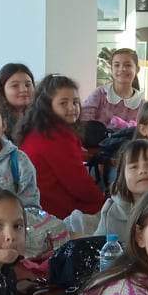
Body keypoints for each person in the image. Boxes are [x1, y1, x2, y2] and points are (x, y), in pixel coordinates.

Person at [18, 75, 104, 218]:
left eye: (75, 102)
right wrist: (104, 201)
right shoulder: (56, 136)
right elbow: (79, 185)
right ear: (47, 107)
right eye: (63, 103)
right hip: (55, 212)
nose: (72, 108)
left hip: (37, 208)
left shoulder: (37, 129)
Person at [95, 138, 148, 239]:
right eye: (134, 167)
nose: (143, 171)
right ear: (123, 176)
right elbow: (100, 244)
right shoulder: (112, 211)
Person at [82, 47, 146, 128]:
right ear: (111, 69)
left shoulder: (142, 104)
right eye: (117, 65)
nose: (122, 69)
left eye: (128, 65)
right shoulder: (100, 94)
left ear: (137, 69)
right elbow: (85, 121)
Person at [0, 62, 37, 138]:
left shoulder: (41, 116)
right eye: (15, 85)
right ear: (2, 90)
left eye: (28, 85)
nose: (24, 89)